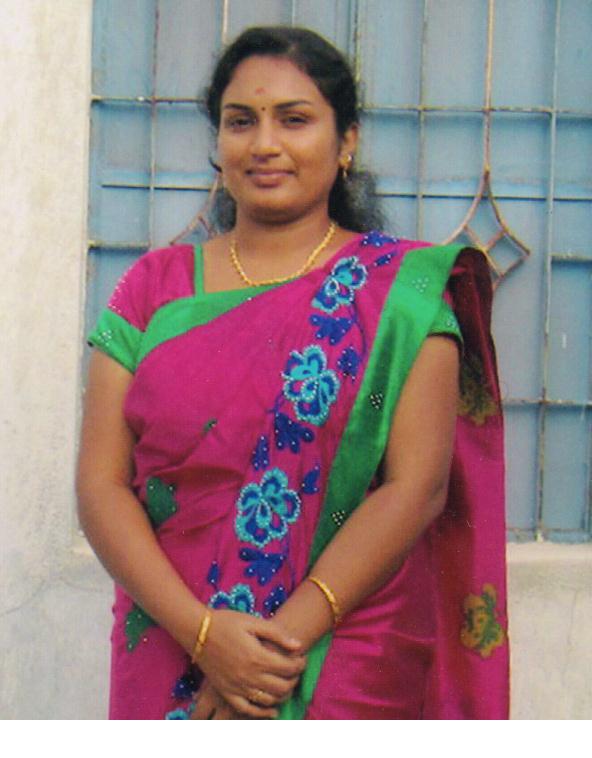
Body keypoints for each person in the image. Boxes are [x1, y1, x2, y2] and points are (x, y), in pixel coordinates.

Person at [77, 26, 509, 720]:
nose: (265, 144)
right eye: (240, 121)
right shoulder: (151, 290)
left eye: (295, 119)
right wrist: (204, 635)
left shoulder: (400, 295)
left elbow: (416, 489)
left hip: (342, 651)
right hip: (170, 637)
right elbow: (101, 484)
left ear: (346, 141)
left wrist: (271, 651)